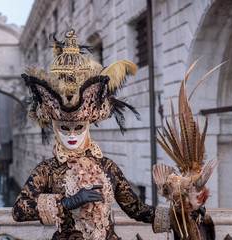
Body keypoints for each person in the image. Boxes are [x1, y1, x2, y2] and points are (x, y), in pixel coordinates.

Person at [12, 29, 173, 240]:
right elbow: (19, 210)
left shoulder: (107, 167)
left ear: (87, 127)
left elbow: (136, 208)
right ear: (55, 128)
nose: (71, 134)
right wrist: (67, 203)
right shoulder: (47, 170)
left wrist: (178, 215)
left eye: (78, 127)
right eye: (64, 128)